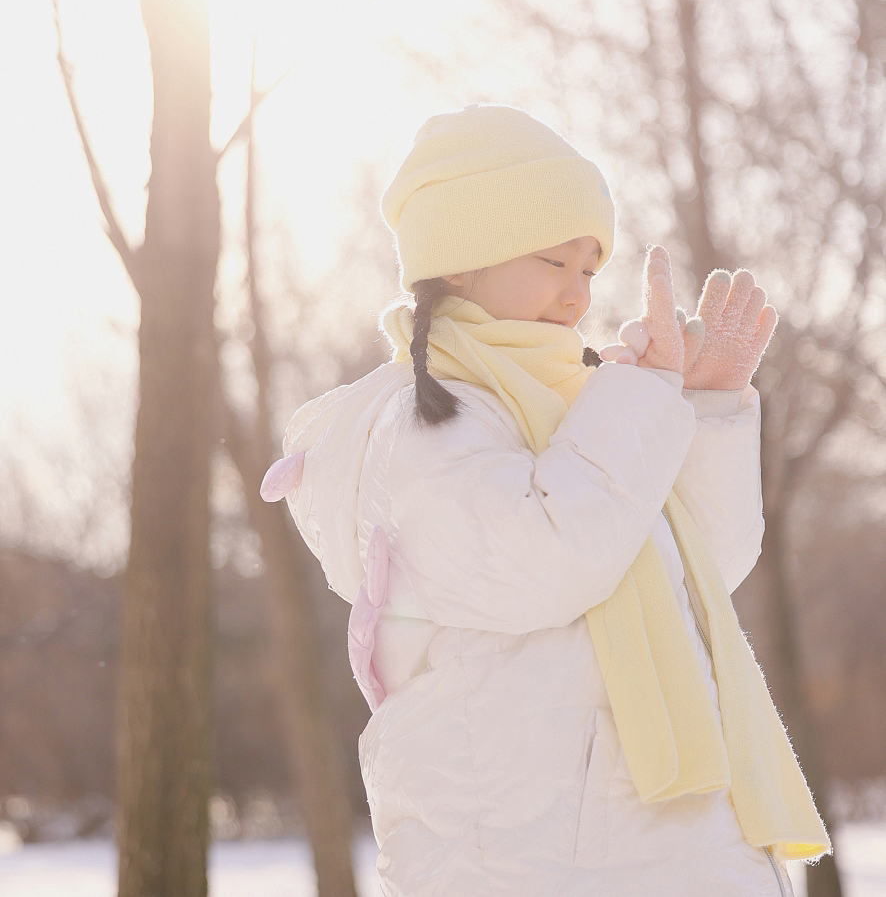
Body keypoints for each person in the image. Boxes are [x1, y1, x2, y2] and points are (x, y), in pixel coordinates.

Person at [261, 104, 829, 896]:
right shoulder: (423, 423)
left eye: (590, 270)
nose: (577, 294)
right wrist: (639, 397)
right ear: (461, 261)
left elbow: (705, 574)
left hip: (652, 838)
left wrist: (700, 410)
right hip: (535, 848)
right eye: (553, 262)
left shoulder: (581, 398)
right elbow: (547, 560)